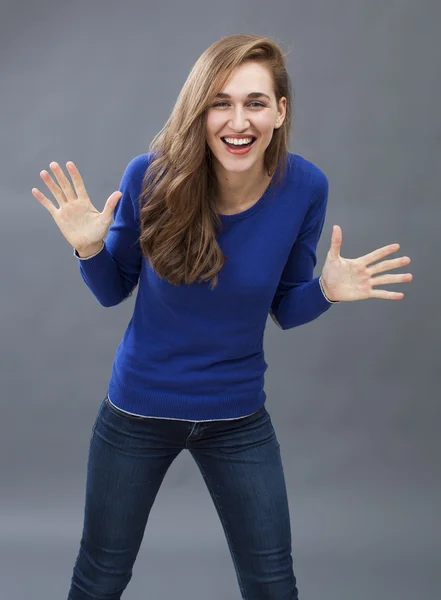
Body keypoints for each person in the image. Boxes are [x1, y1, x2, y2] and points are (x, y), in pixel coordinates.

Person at [32, 33, 412, 600]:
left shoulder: (305, 187)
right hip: (138, 409)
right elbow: (113, 292)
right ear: (201, 111)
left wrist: (327, 291)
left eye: (255, 102)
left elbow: (285, 306)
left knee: (272, 583)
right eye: (221, 102)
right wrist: (89, 249)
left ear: (280, 112)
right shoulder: (150, 176)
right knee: (100, 577)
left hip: (238, 418)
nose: (238, 120)